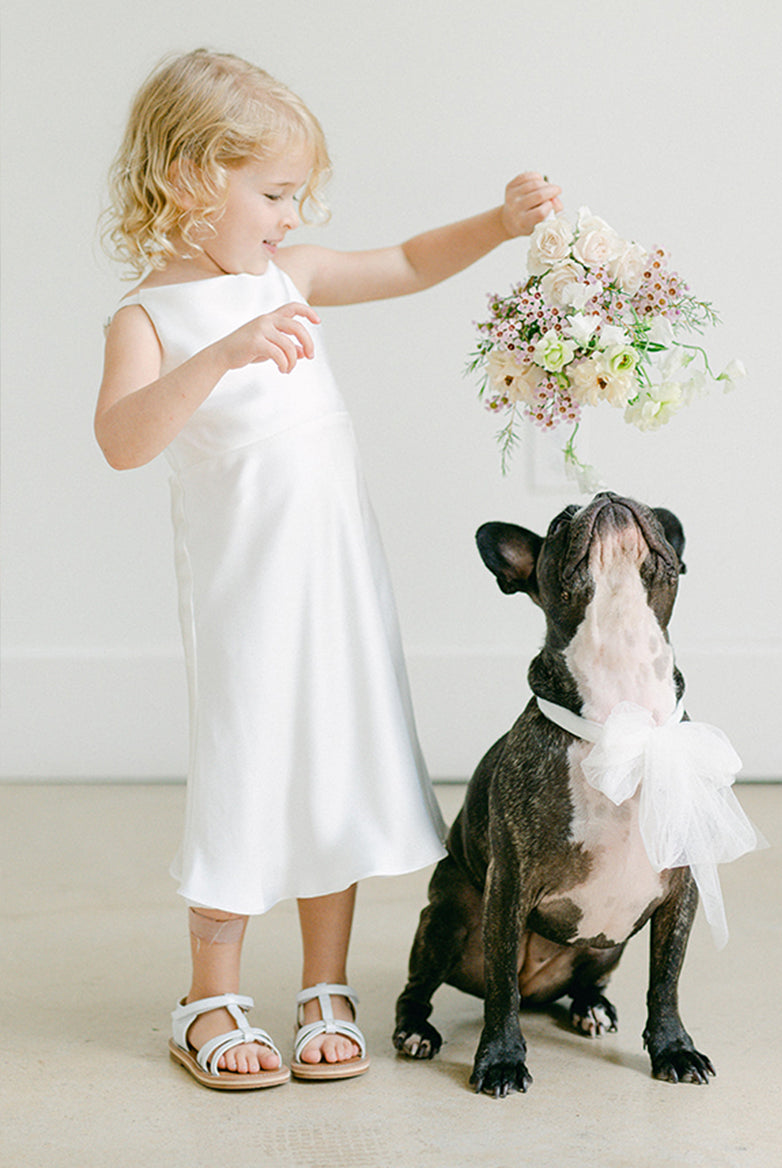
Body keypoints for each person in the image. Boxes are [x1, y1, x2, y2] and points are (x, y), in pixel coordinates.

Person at [95, 47, 563, 1090]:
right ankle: (208, 994)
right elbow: (122, 440)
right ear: (190, 177)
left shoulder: (291, 276)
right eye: (272, 193)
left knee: (331, 769)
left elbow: (403, 261)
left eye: (295, 194)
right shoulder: (149, 318)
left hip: (337, 589)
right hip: (246, 603)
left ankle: (323, 984)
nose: (291, 215)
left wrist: (496, 224)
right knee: (246, 768)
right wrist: (222, 352)